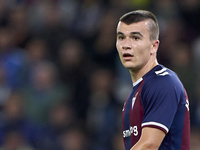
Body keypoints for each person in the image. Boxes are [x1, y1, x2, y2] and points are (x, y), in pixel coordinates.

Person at [116, 10, 190, 150]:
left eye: (135, 38)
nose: (126, 45)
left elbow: (149, 145)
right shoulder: (134, 94)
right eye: (121, 37)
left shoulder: (164, 83)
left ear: (154, 46)